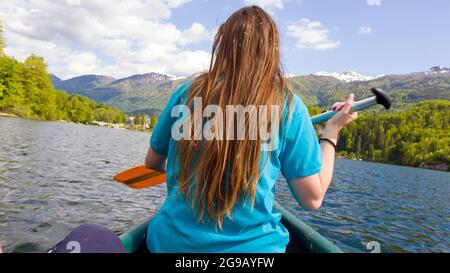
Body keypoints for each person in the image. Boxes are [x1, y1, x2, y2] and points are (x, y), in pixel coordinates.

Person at [144, 5, 357, 253]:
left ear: (223, 46)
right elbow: (312, 199)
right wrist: (332, 132)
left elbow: (153, 162)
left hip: (169, 244)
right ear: (271, 51)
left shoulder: (186, 94)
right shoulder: (289, 107)